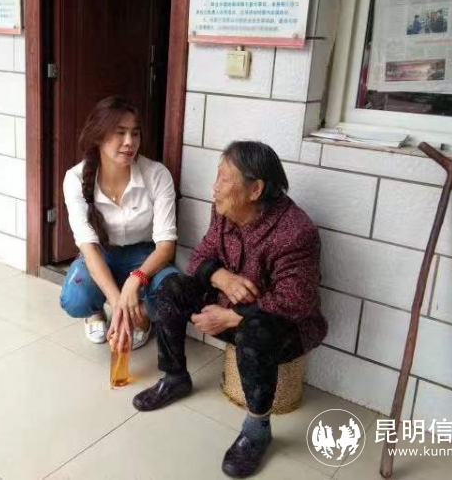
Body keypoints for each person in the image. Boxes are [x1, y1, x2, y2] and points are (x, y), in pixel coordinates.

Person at [133, 141, 328, 478]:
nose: (215, 187)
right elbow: (198, 259)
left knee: (255, 330)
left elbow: (296, 302)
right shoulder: (225, 211)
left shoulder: (295, 232)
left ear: (255, 189)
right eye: (217, 176)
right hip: (230, 304)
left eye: (225, 178)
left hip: (285, 326)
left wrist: (234, 317)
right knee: (171, 289)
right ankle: (175, 376)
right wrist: (221, 277)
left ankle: (256, 430)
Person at [59, 96, 178, 351]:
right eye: (120, 132)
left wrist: (136, 279)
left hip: (145, 255)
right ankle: (95, 312)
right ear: (99, 135)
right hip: (102, 253)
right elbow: (88, 248)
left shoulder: (157, 175)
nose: (129, 142)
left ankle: (142, 316)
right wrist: (117, 303)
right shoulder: (75, 178)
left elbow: (166, 245)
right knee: (75, 299)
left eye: (135, 133)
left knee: (175, 293)